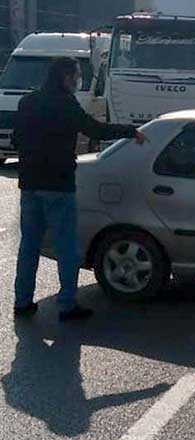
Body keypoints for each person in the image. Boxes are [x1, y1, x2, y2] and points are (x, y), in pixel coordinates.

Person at [12, 57, 145, 321]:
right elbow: (95, 130)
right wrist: (131, 131)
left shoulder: (27, 103)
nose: (76, 81)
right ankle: (67, 304)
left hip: (30, 185)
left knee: (29, 246)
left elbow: (16, 139)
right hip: (59, 185)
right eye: (75, 76)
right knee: (67, 248)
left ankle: (22, 302)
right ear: (64, 77)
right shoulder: (66, 105)